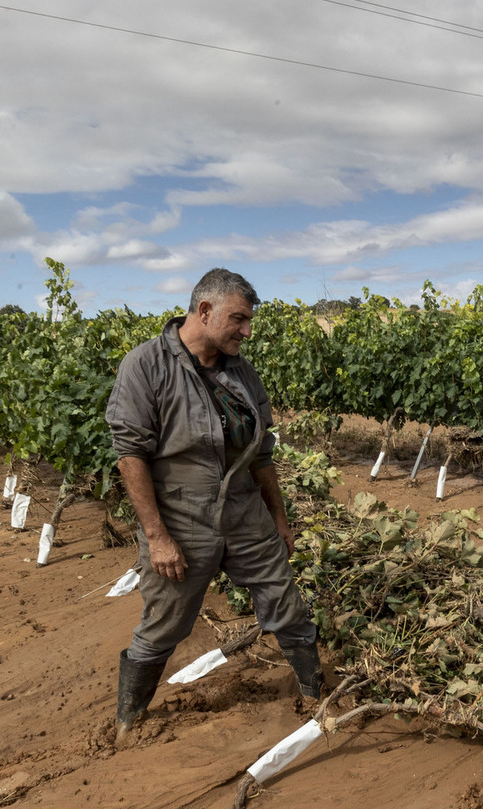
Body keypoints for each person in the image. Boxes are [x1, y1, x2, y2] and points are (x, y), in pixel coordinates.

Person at [105, 267, 324, 736]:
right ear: (204, 311)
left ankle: (313, 696)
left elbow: (262, 454)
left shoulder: (240, 371)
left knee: (286, 605)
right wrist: (157, 537)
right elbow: (130, 456)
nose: (247, 331)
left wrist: (278, 518)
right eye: (239, 319)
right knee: (163, 624)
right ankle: (129, 721)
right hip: (181, 519)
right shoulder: (146, 365)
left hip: (245, 511)